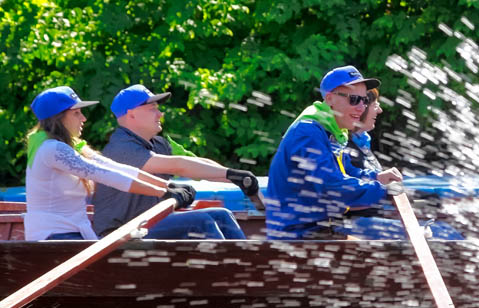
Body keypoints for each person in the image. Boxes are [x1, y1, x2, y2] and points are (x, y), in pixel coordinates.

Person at [24, 86, 194, 241]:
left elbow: (113, 167)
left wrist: (168, 186)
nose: (83, 118)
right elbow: (103, 174)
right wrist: (162, 193)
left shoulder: (71, 146)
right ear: (58, 118)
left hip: (74, 234)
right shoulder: (52, 149)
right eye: (76, 113)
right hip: (53, 236)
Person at [92, 84, 256, 239]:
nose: (160, 114)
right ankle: (231, 269)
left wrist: (236, 177)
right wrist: (230, 173)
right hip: (119, 234)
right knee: (201, 222)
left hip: (146, 224)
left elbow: (196, 165)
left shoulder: (160, 144)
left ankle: (249, 267)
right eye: (152, 109)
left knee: (222, 215)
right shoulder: (120, 148)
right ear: (131, 114)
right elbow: (179, 165)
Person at [265, 66, 406, 240]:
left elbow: (347, 173)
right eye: (354, 99)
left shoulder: (331, 131)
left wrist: (377, 178)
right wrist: (383, 190)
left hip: (319, 231)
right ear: (330, 99)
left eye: (364, 100)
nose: (361, 108)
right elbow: (332, 187)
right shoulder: (308, 133)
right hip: (297, 239)